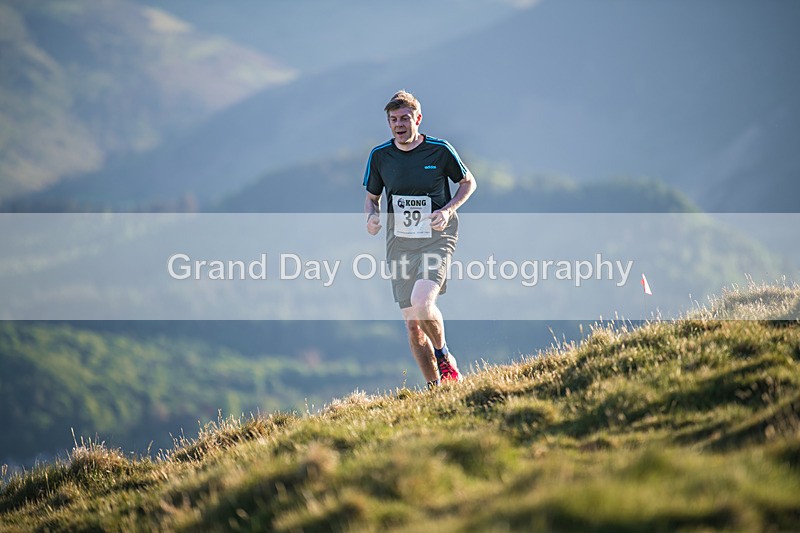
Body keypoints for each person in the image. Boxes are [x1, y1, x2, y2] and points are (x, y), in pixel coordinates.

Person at [363, 90, 477, 387]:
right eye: (393, 120)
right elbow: (372, 198)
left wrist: (448, 210)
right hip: (399, 244)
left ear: (418, 119)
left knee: (422, 302)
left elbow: (468, 182)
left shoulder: (439, 151)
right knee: (413, 326)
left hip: (436, 238)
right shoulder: (380, 156)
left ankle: (444, 356)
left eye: (404, 118)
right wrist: (371, 218)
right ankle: (434, 388)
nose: (399, 125)